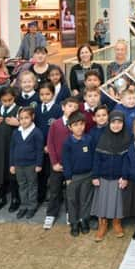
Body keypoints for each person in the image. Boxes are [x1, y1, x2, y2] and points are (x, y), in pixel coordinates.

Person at [92, 110, 130, 242]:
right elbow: (96, 158)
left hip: (118, 178)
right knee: (103, 202)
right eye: (113, 122)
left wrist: (124, 177)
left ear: (123, 124)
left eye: (119, 122)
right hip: (103, 177)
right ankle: (102, 224)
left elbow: (127, 161)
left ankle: (116, 222)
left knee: (117, 202)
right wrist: (95, 176)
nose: (116, 125)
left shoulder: (127, 138)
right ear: (109, 123)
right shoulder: (103, 137)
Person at [43, 97, 79, 229]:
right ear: (63, 107)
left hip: (72, 166)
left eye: (75, 107)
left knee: (71, 191)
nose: (72, 109)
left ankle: (71, 212)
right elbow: (50, 144)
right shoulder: (55, 124)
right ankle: (51, 213)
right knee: (54, 190)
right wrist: (54, 163)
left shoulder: (78, 125)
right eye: (70, 106)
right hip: (57, 165)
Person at [62, 112, 95, 237]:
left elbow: (93, 157)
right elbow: (66, 161)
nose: (79, 127)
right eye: (75, 125)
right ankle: (74, 222)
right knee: (72, 200)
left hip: (88, 175)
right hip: (74, 177)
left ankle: (84, 220)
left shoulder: (89, 139)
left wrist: (93, 173)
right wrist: (68, 177)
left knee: (85, 199)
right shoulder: (68, 143)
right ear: (70, 127)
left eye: (81, 124)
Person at [0, 87, 20, 213]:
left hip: (13, 147)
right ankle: (1, 197)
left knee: (12, 172)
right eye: (4, 100)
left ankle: (15, 198)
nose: (7, 103)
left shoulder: (19, 110)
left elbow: (27, 126)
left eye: (9, 100)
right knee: (0, 170)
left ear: (14, 98)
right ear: (0, 99)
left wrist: (18, 123)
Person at [9, 107, 44, 219]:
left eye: (26, 118)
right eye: (21, 118)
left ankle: (32, 207)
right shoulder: (16, 132)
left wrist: (39, 164)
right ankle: (23, 206)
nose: (24, 121)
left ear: (32, 117)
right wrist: (12, 164)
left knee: (32, 186)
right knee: (22, 185)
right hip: (18, 165)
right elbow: (12, 149)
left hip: (31, 165)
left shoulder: (36, 132)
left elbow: (40, 150)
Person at [35, 82, 62, 204]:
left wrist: (50, 146)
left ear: (53, 94)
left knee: (52, 173)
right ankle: (40, 196)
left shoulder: (57, 109)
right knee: (40, 172)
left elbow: (59, 131)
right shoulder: (36, 109)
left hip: (51, 147)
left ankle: (55, 197)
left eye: (47, 94)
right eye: (42, 94)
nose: (44, 97)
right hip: (38, 146)